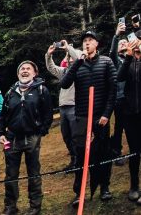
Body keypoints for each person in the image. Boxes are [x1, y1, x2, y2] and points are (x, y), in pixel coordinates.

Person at [60, 29, 117, 205]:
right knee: (81, 155)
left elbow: (113, 90)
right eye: (85, 40)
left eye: (91, 40)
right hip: (82, 117)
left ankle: (104, 187)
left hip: (101, 117)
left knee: (103, 153)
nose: (87, 43)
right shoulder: (78, 64)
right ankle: (79, 192)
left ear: (96, 44)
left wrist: (107, 114)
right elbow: (64, 84)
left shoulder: (106, 62)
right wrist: (78, 62)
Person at [0, 61, 53, 215]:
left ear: (35, 73)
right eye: (22, 69)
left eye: (28, 69)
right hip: (12, 138)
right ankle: (10, 206)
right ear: (18, 74)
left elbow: (48, 113)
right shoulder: (11, 92)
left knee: (33, 172)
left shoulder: (42, 90)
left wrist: (42, 131)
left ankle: (35, 206)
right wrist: (1, 132)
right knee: (11, 174)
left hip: (32, 137)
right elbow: (3, 114)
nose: (25, 71)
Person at [44, 39, 82, 169]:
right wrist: (49, 55)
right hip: (63, 107)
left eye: (70, 56)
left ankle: (80, 161)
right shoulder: (64, 71)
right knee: (66, 136)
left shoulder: (81, 69)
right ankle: (74, 159)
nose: (69, 58)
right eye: (67, 56)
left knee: (76, 136)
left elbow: (79, 58)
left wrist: (68, 49)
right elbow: (51, 68)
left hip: (75, 106)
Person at [117, 36, 141, 204]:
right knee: (134, 151)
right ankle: (134, 186)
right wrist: (128, 57)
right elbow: (119, 77)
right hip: (130, 115)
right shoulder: (128, 61)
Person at [110, 19, 130, 160]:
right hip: (120, 99)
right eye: (120, 43)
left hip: (133, 98)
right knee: (120, 126)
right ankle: (116, 152)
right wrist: (117, 36)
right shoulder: (116, 61)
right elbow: (112, 53)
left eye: (125, 42)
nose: (123, 43)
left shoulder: (134, 59)